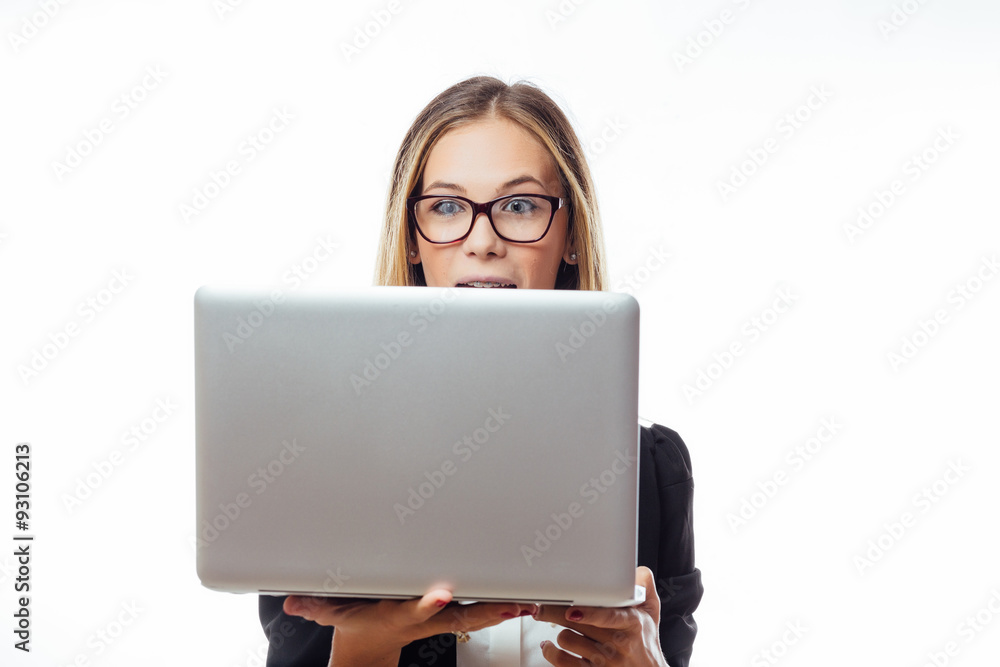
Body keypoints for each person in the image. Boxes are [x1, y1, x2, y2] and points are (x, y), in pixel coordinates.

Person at [259, 75, 703, 666]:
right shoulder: (320, 459)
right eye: (447, 207)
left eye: (520, 205)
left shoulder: (651, 467)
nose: (483, 239)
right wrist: (367, 644)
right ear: (413, 239)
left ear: (571, 234)